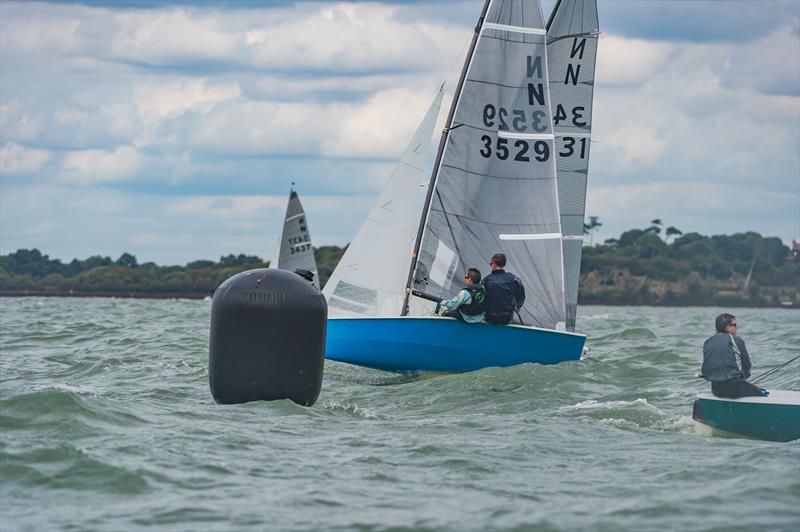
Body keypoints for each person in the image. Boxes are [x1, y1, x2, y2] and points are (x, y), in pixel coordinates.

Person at [701, 313, 768, 398]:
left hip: (715, 389)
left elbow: (705, 370)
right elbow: (746, 364)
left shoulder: (708, 342)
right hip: (734, 388)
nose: (737, 327)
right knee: (762, 395)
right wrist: (743, 376)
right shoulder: (736, 340)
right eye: (734, 325)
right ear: (727, 327)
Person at [481, 253, 525, 325]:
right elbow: (521, 293)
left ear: (494, 264)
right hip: (506, 317)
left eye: (490, 263)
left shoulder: (486, 280)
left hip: (489, 317)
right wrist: (518, 306)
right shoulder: (513, 278)